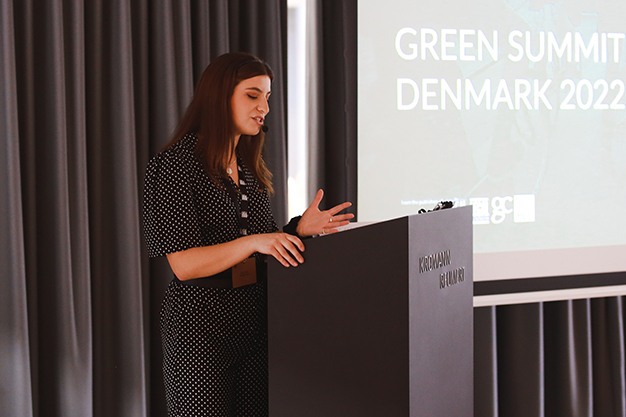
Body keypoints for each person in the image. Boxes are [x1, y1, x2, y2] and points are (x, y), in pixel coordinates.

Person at [142, 52, 354, 417]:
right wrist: (255, 242)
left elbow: (258, 241)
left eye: (267, 98)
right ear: (219, 97)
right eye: (252, 95)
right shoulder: (175, 164)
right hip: (199, 328)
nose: (264, 108)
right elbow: (184, 265)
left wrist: (296, 230)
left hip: (255, 321)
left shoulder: (247, 165)